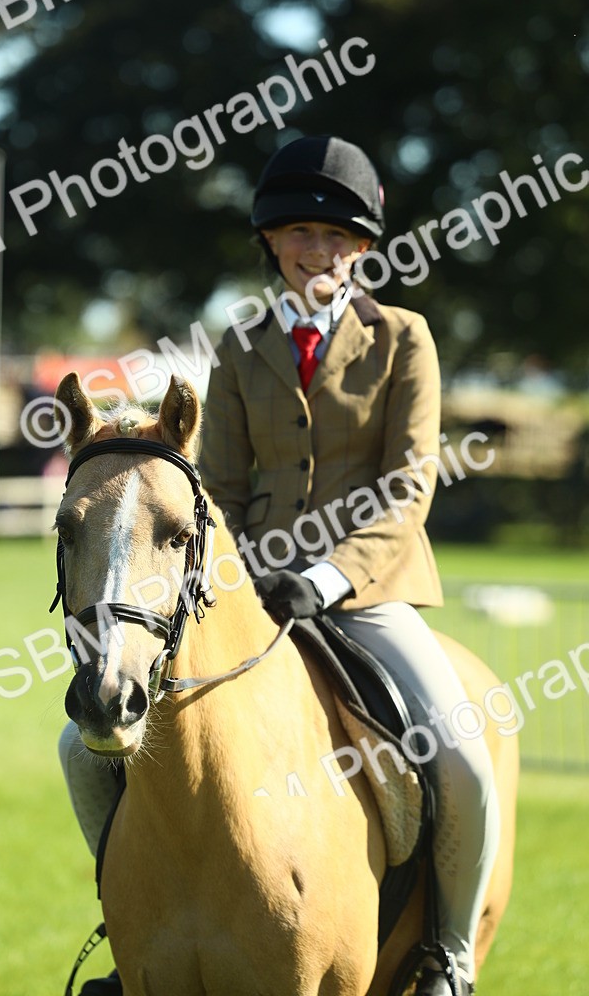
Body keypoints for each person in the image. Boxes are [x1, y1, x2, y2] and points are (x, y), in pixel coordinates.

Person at [197, 134, 500, 996]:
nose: (318, 249)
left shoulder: (404, 338)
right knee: (93, 745)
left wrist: (326, 577)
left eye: (336, 236)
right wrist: (241, 577)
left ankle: (447, 952)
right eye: (301, 232)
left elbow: (407, 486)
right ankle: (142, 923)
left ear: (363, 247)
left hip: (367, 593)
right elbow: (219, 486)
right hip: (254, 592)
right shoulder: (240, 344)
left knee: (464, 759)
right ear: (271, 240)